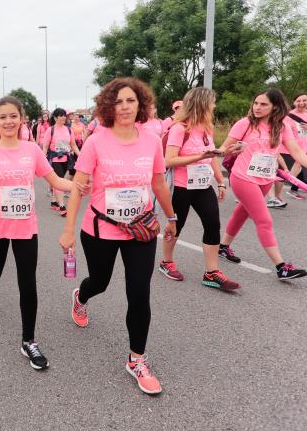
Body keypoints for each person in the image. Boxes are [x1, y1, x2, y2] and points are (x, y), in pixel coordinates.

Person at [59, 77, 176, 396]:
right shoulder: (96, 141)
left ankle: (137, 359)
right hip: (100, 230)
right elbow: (79, 189)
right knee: (100, 282)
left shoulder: (152, 139)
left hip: (141, 228)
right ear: (109, 106)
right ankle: (80, 298)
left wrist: (171, 216)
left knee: (139, 292)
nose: (125, 107)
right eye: (119, 101)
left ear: (141, 105)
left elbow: (159, 184)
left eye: (131, 101)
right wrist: (68, 229)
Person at [0, 96, 75, 371]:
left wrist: (77, 187)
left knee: (27, 283)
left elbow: (54, 180)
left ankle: (28, 340)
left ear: (22, 119)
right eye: (3, 117)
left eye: (13, 116)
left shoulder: (31, 150)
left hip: (25, 227)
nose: (9, 121)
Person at [217, 89, 307, 280]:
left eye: (263, 104)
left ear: (275, 106)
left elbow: (295, 149)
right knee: (264, 221)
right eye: (256, 103)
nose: (257, 107)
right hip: (243, 177)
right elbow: (223, 149)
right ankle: (281, 267)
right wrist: (230, 150)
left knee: (242, 212)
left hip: (266, 178)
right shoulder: (245, 123)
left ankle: (222, 247)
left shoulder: (282, 126)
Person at [158, 88, 240, 290]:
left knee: (213, 224)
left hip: (203, 185)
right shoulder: (180, 128)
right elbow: (169, 160)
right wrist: (199, 157)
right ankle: (166, 262)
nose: (214, 106)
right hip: (181, 186)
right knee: (177, 226)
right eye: (212, 102)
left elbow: (211, 156)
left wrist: (220, 180)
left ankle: (211, 272)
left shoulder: (206, 128)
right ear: (202, 104)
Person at [41, 108, 80, 216]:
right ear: (55, 118)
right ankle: (62, 206)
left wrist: (80, 156)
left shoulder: (69, 130)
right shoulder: (51, 130)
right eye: (61, 115)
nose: (63, 117)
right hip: (55, 158)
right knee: (59, 181)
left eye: (64, 115)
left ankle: (54, 202)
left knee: (60, 180)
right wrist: (43, 158)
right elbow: (45, 146)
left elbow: (73, 145)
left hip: (66, 159)